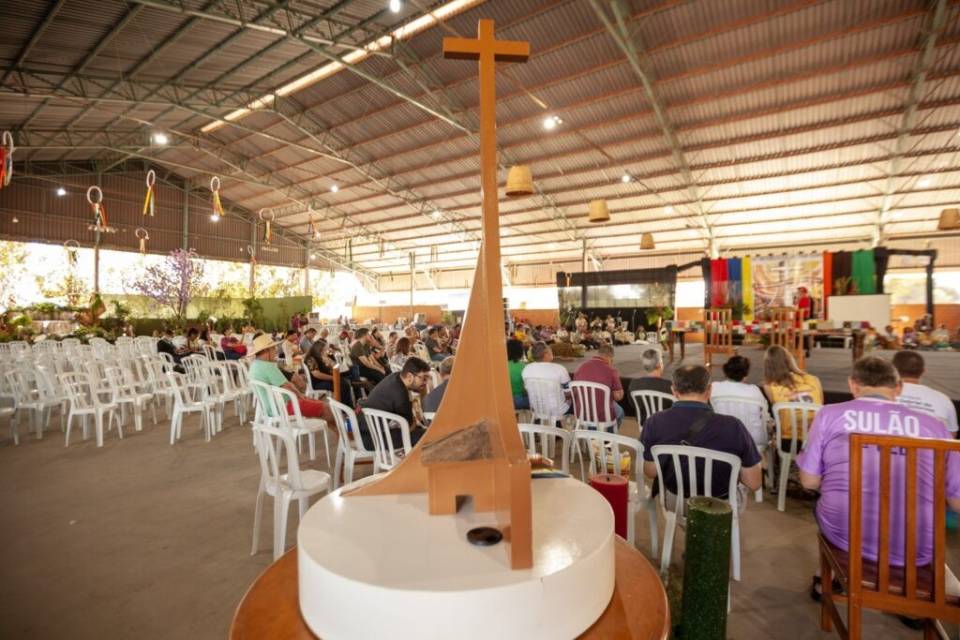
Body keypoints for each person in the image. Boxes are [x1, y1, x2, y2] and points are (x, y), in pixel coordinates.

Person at [798, 356, 960, 600]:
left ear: (853, 385)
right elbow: (956, 501)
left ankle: (828, 577)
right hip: (918, 547)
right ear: (898, 388)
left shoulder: (829, 415)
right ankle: (914, 601)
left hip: (845, 535)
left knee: (824, 505)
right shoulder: (935, 427)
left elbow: (809, 482)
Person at [641, 364, 762, 501]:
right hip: (721, 505)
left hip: (675, 500)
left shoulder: (654, 422)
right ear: (709, 390)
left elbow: (650, 472)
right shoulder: (734, 426)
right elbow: (754, 483)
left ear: (674, 391)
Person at [248, 333, 333, 422]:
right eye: (273, 348)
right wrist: (302, 397)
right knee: (326, 408)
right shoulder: (267, 366)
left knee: (319, 405)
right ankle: (343, 435)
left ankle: (341, 434)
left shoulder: (254, 365)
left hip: (271, 407)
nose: (276, 350)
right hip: (284, 407)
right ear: (266, 351)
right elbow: (288, 386)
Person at [358, 357, 431, 450]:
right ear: (409, 376)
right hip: (373, 439)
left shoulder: (395, 376)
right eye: (424, 378)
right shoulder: (400, 394)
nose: (425, 383)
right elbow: (409, 427)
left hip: (366, 430)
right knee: (425, 435)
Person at [763, 345, 823, 445]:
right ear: (790, 360)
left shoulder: (769, 386)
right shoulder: (814, 380)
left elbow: (779, 412)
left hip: (788, 441)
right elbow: (820, 405)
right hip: (815, 440)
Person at [892, 350, 958, 433]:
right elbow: (951, 435)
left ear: (893, 370)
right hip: (931, 445)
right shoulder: (944, 399)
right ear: (923, 371)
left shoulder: (882, 395)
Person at [711, 355, 769, 449]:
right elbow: (763, 415)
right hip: (753, 440)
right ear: (746, 373)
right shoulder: (754, 390)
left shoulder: (714, 387)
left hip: (723, 438)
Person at [573, 343, 625, 428]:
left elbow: (575, 390)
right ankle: (607, 438)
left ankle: (590, 434)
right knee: (620, 412)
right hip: (602, 415)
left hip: (581, 411)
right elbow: (618, 396)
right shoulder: (611, 370)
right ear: (610, 357)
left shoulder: (580, 367)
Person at [521, 341, 571, 417]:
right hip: (557, 410)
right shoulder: (560, 369)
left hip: (536, 409)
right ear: (546, 354)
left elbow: (526, 390)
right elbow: (568, 393)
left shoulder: (526, 369)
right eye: (550, 350)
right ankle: (560, 425)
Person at [627, 348, 673, 424]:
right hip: (666, 425)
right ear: (659, 365)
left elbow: (633, 404)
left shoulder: (634, 384)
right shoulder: (670, 386)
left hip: (645, 424)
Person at [304, 339, 352, 405]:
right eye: (324, 350)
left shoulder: (320, 356)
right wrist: (333, 378)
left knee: (346, 379)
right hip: (318, 382)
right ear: (319, 349)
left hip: (324, 379)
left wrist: (328, 361)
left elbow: (332, 365)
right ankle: (344, 408)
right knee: (343, 384)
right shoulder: (311, 358)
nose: (325, 351)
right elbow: (316, 374)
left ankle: (347, 406)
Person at [504, 338, 529, 410]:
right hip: (518, 400)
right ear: (520, 351)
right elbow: (525, 389)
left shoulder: (501, 366)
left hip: (503, 400)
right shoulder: (523, 367)